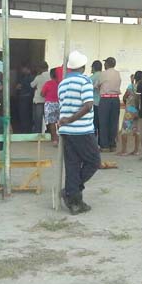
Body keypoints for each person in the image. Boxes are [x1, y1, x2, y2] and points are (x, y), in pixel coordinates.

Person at [57, 50, 101, 215]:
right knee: (94, 161)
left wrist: (66, 121)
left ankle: (74, 200)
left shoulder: (62, 84)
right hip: (81, 130)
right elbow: (88, 105)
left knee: (72, 165)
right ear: (83, 67)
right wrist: (71, 119)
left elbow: (64, 105)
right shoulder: (85, 81)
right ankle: (71, 192)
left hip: (66, 132)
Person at [95, 57, 122, 152]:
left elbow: (96, 85)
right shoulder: (117, 73)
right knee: (113, 122)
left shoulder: (103, 74)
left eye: (105, 63)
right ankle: (112, 145)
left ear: (107, 64)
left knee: (103, 122)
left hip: (105, 99)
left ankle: (104, 146)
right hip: (115, 99)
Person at [117, 71, 142, 156]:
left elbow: (125, 97)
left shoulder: (131, 86)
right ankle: (136, 150)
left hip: (130, 110)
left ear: (135, 78)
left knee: (125, 130)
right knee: (137, 130)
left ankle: (124, 150)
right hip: (139, 111)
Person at [41, 67, 60, 147]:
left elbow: (42, 94)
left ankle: (55, 140)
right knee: (60, 122)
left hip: (49, 104)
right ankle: (62, 139)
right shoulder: (60, 83)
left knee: (52, 123)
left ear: (51, 75)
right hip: (59, 103)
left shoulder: (48, 83)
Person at [30, 61, 49, 133]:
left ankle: (37, 134)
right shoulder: (51, 76)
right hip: (48, 101)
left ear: (40, 69)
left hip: (39, 101)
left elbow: (32, 85)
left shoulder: (39, 77)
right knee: (48, 119)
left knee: (38, 119)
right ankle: (49, 133)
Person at [16, 65, 35, 133]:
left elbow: (18, 87)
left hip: (24, 98)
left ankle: (25, 130)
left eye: (22, 69)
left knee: (24, 115)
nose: (21, 71)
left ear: (27, 68)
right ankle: (27, 130)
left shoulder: (27, 77)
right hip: (29, 98)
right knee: (28, 115)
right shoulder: (31, 77)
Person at [90, 60, 103, 142]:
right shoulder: (104, 76)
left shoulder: (91, 78)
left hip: (94, 103)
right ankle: (101, 142)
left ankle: (93, 142)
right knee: (101, 124)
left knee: (94, 124)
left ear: (94, 68)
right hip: (103, 103)